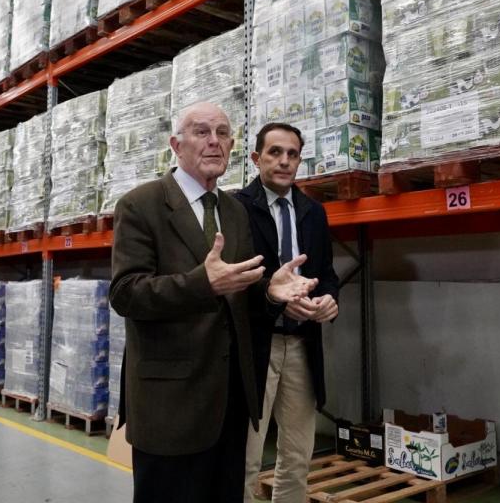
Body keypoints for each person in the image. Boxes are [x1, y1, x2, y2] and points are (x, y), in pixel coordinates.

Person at [110, 103, 319, 503]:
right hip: (170, 402)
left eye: (223, 133)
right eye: (202, 132)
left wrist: (269, 292)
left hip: (229, 403)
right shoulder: (142, 205)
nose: (214, 142)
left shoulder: (234, 210)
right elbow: (126, 292)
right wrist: (200, 283)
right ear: (176, 144)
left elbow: (235, 291)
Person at [239, 123, 340, 503]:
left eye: (292, 154)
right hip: (257, 346)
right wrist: (272, 293)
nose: (284, 161)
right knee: (247, 457)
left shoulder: (313, 212)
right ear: (256, 158)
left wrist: (329, 301)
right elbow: (230, 282)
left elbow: (326, 275)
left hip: (302, 344)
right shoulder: (237, 209)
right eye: (275, 152)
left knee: (297, 455)